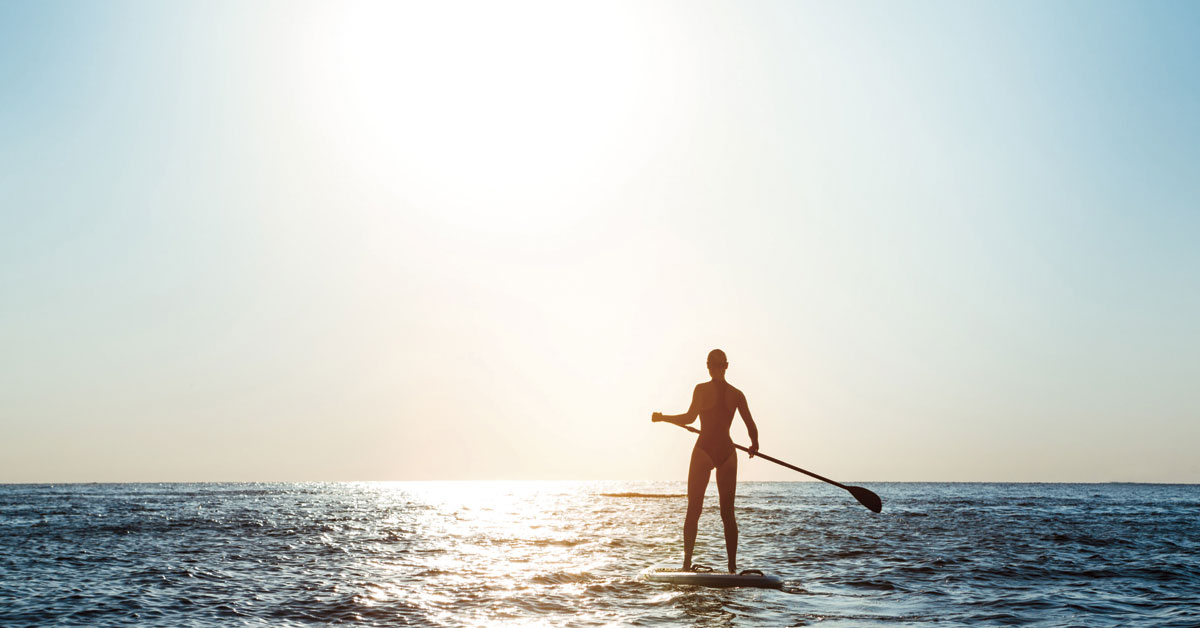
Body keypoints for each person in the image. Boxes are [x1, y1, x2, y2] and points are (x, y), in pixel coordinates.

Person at [652, 349, 759, 573]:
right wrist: (754, 445)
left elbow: (689, 418)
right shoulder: (737, 394)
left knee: (694, 509)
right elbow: (751, 426)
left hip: (705, 450)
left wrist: (663, 418)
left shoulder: (701, 389)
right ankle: (731, 568)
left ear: (708, 366)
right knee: (728, 513)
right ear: (726, 366)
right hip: (728, 452)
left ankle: (686, 564)